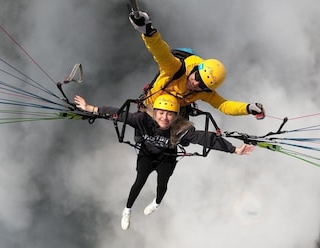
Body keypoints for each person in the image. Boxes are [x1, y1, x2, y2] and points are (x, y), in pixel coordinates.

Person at [74, 94, 254, 230]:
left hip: (167, 156)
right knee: (140, 180)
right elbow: (119, 114)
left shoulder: (181, 129)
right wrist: (90, 108)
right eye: (161, 113)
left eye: (169, 114)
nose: (164, 118)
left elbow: (206, 138)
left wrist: (234, 149)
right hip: (147, 153)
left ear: (176, 116)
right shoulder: (142, 120)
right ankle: (127, 210)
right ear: (155, 113)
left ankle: (157, 203)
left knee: (162, 183)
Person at [128, 10, 266, 120]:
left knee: (180, 135)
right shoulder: (176, 68)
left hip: (171, 116)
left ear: (206, 89)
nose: (196, 83)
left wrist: (248, 108)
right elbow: (161, 52)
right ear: (195, 69)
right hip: (150, 108)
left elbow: (224, 105)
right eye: (197, 77)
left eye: (202, 85)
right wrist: (148, 31)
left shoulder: (202, 93)